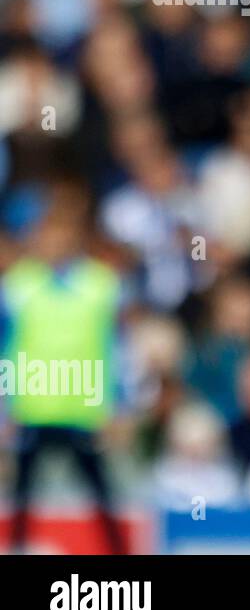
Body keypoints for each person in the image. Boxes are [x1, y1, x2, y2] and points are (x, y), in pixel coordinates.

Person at [2, 185, 127, 554]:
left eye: (62, 235)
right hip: (32, 408)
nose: (53, 243)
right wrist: (4, 406)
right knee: (22, 496)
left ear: (75, 238)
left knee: (102, 495)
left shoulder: (102, 285)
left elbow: (115, 349)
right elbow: (6, 350)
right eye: (46, 235)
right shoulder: (17, 286)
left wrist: (118, 405)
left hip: (85, 410)